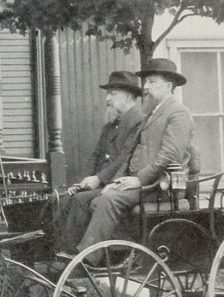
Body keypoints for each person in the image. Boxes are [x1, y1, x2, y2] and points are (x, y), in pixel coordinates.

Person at [63, 58, 194, 262]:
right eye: (146, 82)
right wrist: (114, 182)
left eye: (152, 82)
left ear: (168, 86)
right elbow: (129, 154)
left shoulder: (178, 113)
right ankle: (108, 254)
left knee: (108, 200)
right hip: (142, 184)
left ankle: (87, 258)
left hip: (161, 187)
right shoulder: (152, 114)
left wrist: (139, 180)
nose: (146, 87)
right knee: (98, 198)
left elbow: (170, 155)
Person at [55, 70, 146, 253]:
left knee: (79, 201)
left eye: (113, 94)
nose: (107, 99)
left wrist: (98, 179)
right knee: (62, 198)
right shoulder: (110, 126)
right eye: (108, 94)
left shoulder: (139, 123)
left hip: (122, 182)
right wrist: (84, 181)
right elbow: (96, 155)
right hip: (103, 181)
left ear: (129, 96)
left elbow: (124, 158)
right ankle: (57, 249)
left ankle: (74, 254)